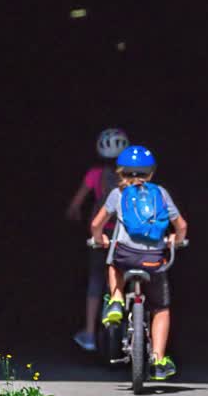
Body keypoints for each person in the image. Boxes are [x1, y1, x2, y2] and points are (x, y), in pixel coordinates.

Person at [88, 145, 189, 380]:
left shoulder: (117, 194)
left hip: (125, 256)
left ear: (120, 172)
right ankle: (158, 359)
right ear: (151, 173)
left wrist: (99, 239)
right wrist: (176, 240)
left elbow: (96, 225)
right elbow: (181, 226)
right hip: (154, 260)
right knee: (161, 308)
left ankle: (115, 299)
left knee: (113, 260)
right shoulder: (161, 194)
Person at [66, 128, 130, 351]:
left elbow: (75, 205)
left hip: (101, 233)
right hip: (128, 235)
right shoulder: (133, 175)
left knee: (96, 278)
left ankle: (90, 334)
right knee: (128, 275)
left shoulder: (94, 175)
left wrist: (75, 217)